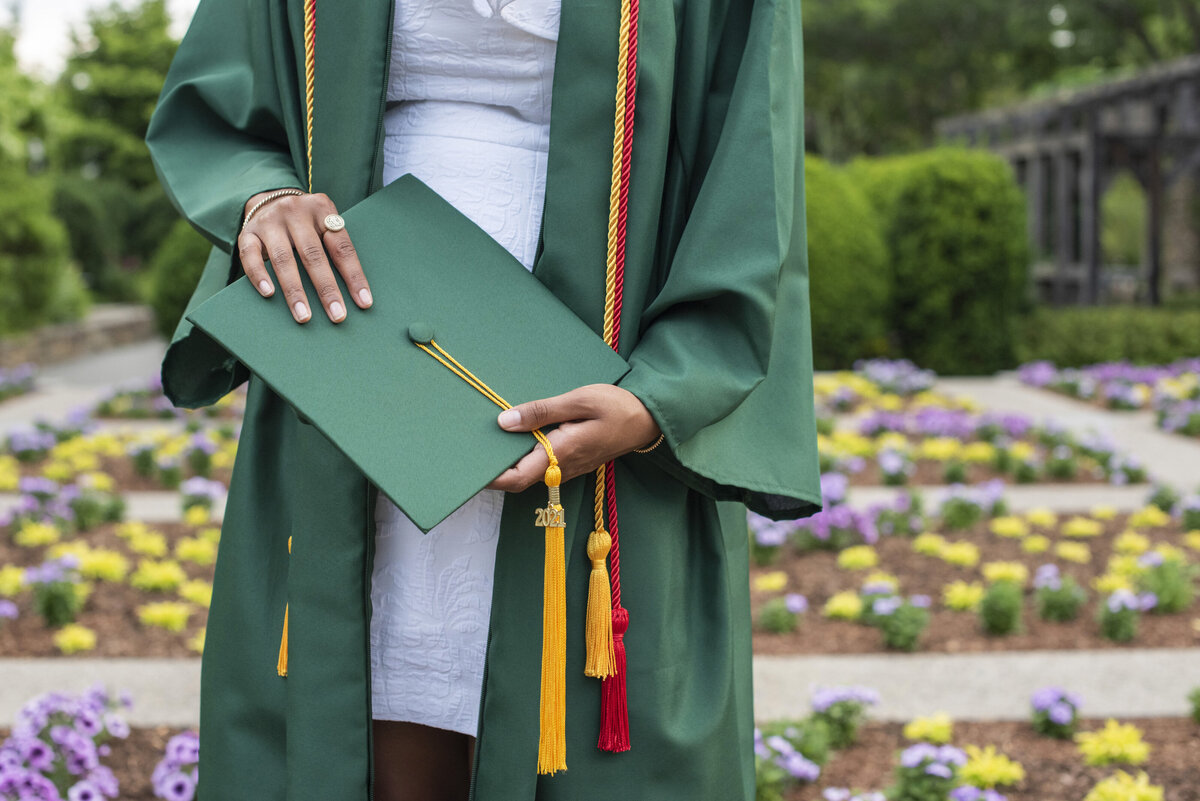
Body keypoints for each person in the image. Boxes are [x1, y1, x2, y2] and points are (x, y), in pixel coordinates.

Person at [146, 0, 822, 799]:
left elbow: (754, 165)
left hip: (601, 376)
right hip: (356, 369)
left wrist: (659, 398)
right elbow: (220, 105)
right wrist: (261, 199)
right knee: (370, 706)